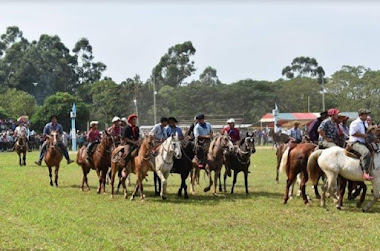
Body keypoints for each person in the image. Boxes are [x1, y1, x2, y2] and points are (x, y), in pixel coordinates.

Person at [349, 109, 374, 181]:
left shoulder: (365, 123)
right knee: (366, 153)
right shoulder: (355, 123)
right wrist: (363, 135)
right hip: (355, 142)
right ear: (361, 115)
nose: (367, 116)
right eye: (365, 114)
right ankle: (365, 172)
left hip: (364, 142)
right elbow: (352, 133)